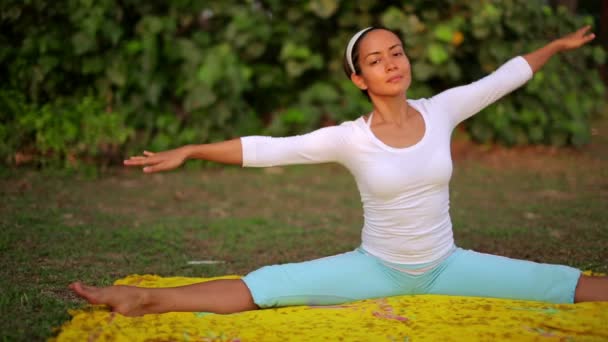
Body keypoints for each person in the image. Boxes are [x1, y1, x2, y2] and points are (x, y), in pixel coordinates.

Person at [69, 25, 607, 317]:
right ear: (358, 79)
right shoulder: (349, 138)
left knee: (565, 285)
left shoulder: (442, 109)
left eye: (396, 52)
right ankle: (144, 299)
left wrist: (556, 47)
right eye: (376, 59)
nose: (392, 63)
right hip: (375, 267)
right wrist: (191, 149)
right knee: (265, 287)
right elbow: (267, 148)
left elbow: (504, 76)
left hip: (447, 264)